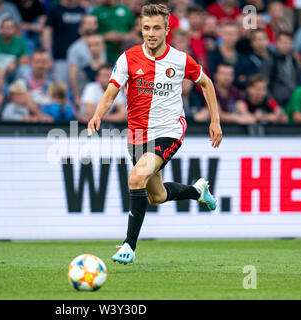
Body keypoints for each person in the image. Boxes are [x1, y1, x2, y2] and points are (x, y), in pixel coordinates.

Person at [87, 4, 222, 264]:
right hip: (137, 136)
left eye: (156, 28)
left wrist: (215, 120)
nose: (151, 33)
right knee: (156, 196)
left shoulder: (180, 59)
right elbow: (112, 91)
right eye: (146, 28)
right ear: (140, 28)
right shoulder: (128, 58)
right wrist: (97, 115)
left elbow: (206, 82)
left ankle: (129, 245)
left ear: (167, 29)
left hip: (169, 132)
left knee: (136, 177)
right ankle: (197, 191)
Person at [42, 0, 85, 82]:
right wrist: (48, 54)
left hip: (78, 58)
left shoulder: (81, 10)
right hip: (60, 57)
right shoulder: (54, 10)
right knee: (61, 87)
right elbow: (47, 31)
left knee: (80, 89)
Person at [260, 31, 301, 107]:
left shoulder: (294, 61)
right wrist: (274, 106)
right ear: (276, 43)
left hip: (293, 105)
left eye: (290, 43)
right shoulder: (269, 61)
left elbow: (299, 84)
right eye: (284, 43)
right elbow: (264, 87)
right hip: (276, 105)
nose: (287, 45)